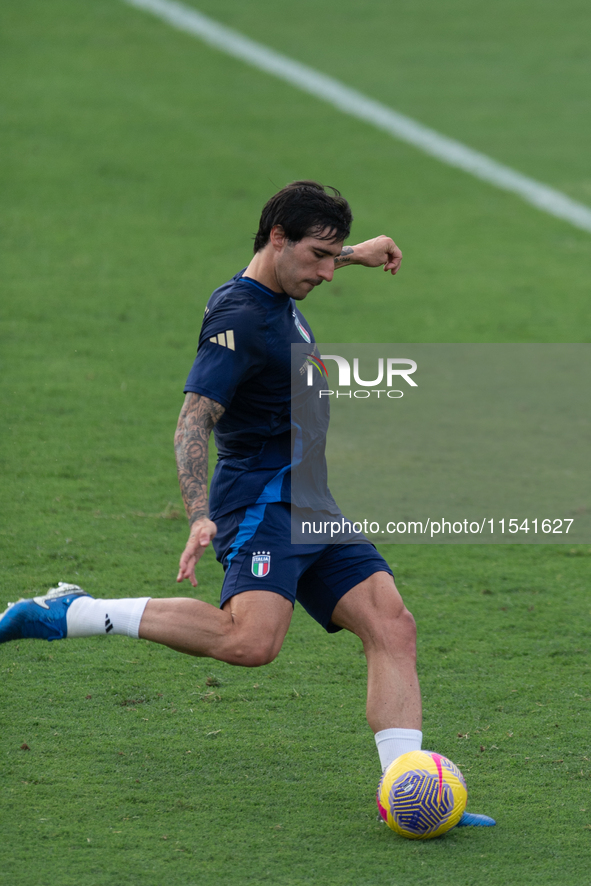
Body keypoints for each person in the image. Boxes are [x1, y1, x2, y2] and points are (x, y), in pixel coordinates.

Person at [0, 183, 493, 824]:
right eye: (319, 255)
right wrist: (199, 513)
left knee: (392, 625)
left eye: (331, 257)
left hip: (311, 498)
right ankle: (76, 611)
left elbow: (306, 263)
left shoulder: (283, 284)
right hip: (260, 502)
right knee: (250, 642)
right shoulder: (237, 318)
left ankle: (405, 788)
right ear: (278, 240)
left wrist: (356, 254)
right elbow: (191, 423)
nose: (324, 271)